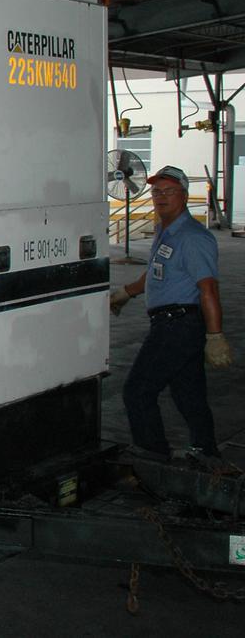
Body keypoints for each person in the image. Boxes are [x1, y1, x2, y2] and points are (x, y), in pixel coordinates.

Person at [109, 165, 232, 460]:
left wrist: (215, 335)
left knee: (138, 391)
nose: (161, 197)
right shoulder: (165, 231)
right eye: (156, 191)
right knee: (188, 395)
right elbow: (156, 274)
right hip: (173, 323)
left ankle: (154, 458)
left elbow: (208, 288)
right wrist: (126, 293)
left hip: (178, 325)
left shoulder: (192, 237)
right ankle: (206, 454)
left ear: (185, 196)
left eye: (169, 191)